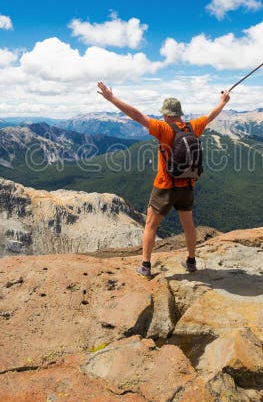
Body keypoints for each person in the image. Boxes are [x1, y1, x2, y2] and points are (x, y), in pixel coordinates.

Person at [97, 82, 231, 277]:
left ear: (167, 115)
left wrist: (112, 98)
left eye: (163, 114)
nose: (162, 117)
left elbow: (137, 116)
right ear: (180, 113)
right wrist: (223, 101)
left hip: (165, 185)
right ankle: (191, 262)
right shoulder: (193, 127)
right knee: (188, 225)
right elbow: (211, 115)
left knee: (151, 224)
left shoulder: (164, 128)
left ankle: (145, 266)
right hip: (188, 184)